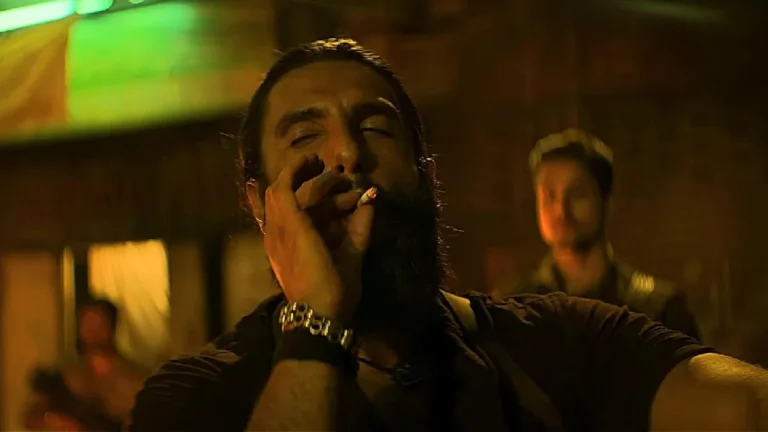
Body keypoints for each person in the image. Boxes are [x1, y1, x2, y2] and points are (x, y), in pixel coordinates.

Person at [127, 39, 768, 431]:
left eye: (376, 128)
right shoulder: (199, 396)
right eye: (305, 135)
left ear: (427, 177)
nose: (347, 153)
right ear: (258, 203)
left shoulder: (560, 344)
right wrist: (317, 321)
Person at [494, 129, 702, 340]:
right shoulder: (513, 308)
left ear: (606, 202)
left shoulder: (656, 308)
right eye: (549, 196)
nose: (560, 210)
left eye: (577, 194)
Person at [26, 299, 149, 431]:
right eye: (86, 323)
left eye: (98, 323)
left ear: (112, 325)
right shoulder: (68, 375)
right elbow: (32, 417)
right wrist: (56, 420)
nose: (92, 331)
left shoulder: (134, 378)